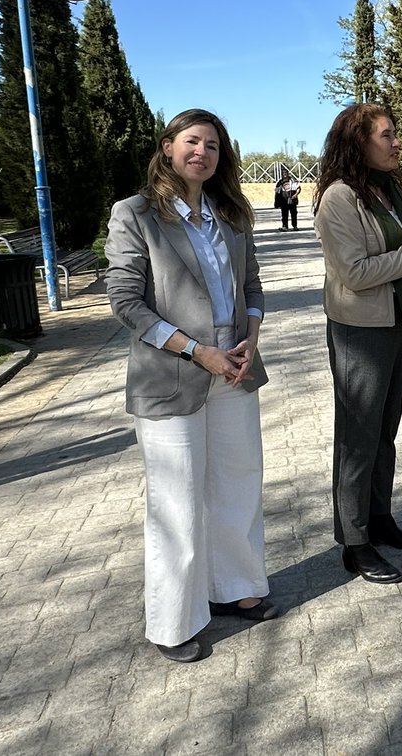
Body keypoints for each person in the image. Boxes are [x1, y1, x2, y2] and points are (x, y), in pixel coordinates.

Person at [105, 108, 279, 663]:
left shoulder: (231, 214)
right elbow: (126, 303)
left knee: (238, 482)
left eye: (212, 144)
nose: (201, 151)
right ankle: (173, 621)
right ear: (168, 146)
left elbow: (251, 285)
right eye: (191, 141)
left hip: (234, 368)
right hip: (173, 377)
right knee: (176, 503)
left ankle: (234, 588)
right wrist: (196, 350)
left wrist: (250, 337)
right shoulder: (136, 215)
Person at [313, 103, 402, 584]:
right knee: (357, 437)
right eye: (386, 135)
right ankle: (354, 542)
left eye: (394, 133)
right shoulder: (339, 199)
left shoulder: (387, 191)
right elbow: (355, 273)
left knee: (385, 428)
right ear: (358, 142)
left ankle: (379, 518)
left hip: (397, 324)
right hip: (360, 333)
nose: (396, 142)